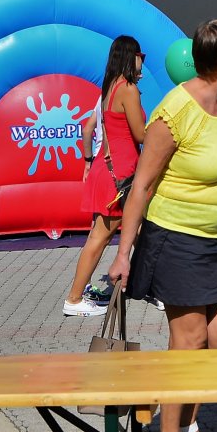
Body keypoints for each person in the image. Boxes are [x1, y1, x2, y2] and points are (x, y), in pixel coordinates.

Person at [108, 19, 217, 432]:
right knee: (188, 343)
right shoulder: (174, 112)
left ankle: (186, 422)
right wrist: (123, 253)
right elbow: (141, 186)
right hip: (175, 239)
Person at [63, 36, 148, 318]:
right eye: (140, 56)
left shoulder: (111, 86)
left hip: (109, 169)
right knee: (99, 238)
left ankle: (151, 285)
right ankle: (74, 299)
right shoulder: (128, 89)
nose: (142, 62)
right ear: (130, 56)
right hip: (120, 175)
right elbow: (140, 134)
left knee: (140, 230)